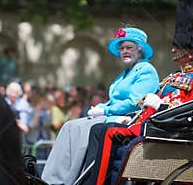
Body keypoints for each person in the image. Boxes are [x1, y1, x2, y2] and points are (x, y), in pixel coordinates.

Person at [82, 0, 193, 185]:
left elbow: (190, 113)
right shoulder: (173, 77)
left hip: (166, 132)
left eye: (177, 46)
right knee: (102, 129)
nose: (172, 50)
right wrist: (133, 117)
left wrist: (160, 106)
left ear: (192, 51)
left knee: (109, 132)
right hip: (149, 125)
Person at [41, 27, 159, 185]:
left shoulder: (146, 70)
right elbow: (113, 101)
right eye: (121, 48)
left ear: (140, 49)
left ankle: (70, 180)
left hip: (130, 119)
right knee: (69, 126)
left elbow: (134, 102)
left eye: (129, 47)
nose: (124, 51)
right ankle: (50, 179)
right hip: (114, 115)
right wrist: (100, 107)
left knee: (80, 129)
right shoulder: (126, 72)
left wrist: (104, 110)